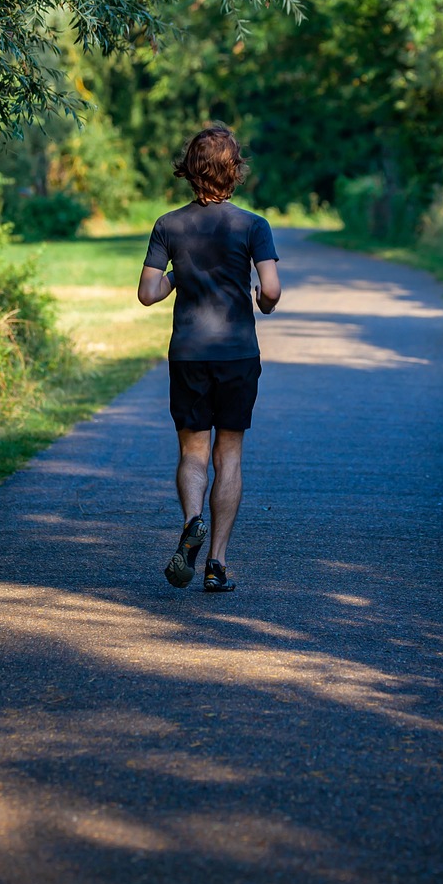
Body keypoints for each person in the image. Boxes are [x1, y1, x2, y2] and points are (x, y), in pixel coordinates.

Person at [137, 125, 281, 592]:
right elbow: (272, 289)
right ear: (234, 171)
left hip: (189, 355)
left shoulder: (168, 225)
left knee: (192, 452)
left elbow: (147, 293)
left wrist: (178, 275)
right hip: (238, 354)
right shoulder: (253, 226)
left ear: (190, 170)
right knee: (229, 454)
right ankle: (216, 566)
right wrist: (264, 302)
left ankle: (192, 520)